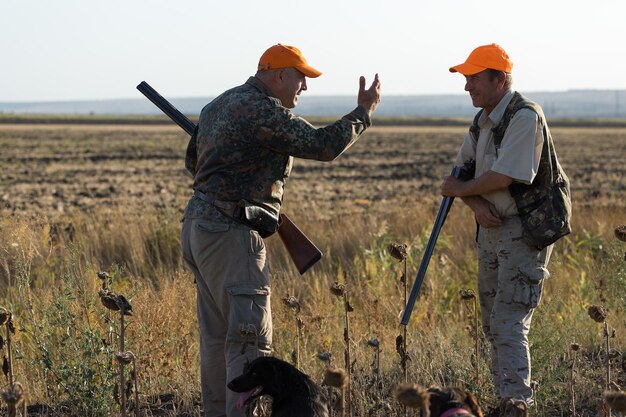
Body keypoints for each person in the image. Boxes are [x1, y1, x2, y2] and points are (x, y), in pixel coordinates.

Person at [180, 43, 381, 417]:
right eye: (301, 78)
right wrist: (363, 113)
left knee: (216, 340)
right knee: (248, 343)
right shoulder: (261, 108)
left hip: (199, 226)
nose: (304, 88)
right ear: (279, 75)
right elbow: (323, 145)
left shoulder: (218, 104)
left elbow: (195, 162)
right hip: (231, 233)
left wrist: (245, 182)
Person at [440, 44, 570, 412]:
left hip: (524, 233)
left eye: (475, 77)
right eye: (466, 78)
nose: (467, 86)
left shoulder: (524, 116)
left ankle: (516, 404)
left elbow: (506, 174)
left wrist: (463, 190)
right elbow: (460, 174)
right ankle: (507, 400)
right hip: (492, 230)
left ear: (499, 79)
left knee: (508, 320)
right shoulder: (483, 122)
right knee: (491, 323)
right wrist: (475, 203)